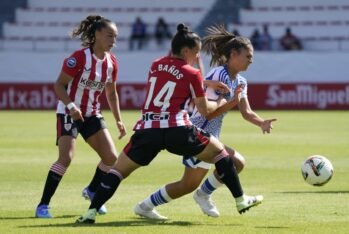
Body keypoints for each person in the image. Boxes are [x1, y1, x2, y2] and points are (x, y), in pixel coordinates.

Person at [76, 23, 263, 224]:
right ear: (186, 51)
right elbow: (205, 110)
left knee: (117, 171)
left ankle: (90, 212)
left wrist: (206, 84)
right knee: (221, 154)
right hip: (177, 129)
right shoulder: (192, 73)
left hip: (147, 129)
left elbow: (174, 77)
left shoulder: (156, 64)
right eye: (196, 52)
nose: (197, 57)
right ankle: (240, 199)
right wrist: (224, 99)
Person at [134, 25, 277, 220]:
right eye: (248, 56)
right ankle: (204, 195)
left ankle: (146, 206)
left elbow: (246, 112)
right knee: (232, 164)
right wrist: (231, 101)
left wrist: (261, 123)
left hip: (212, 134)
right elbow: (208, 113)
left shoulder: (240, 81)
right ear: (234, 54)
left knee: (188, 184)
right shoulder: (219, 75)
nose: (251, 60)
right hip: (197, 131)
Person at [35, 15, 126, 218]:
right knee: (66, 158)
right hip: (69, 112)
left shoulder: (112, 63)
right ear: (96, 35)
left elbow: (111, 93)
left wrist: (118, 119)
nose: (114, 41)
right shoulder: (79, 57)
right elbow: (59, 85)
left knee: (111, 158)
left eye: (116, 36)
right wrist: (71, 106)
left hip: (92, 113)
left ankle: (92, 190)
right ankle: (43, 205)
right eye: (110, 35)